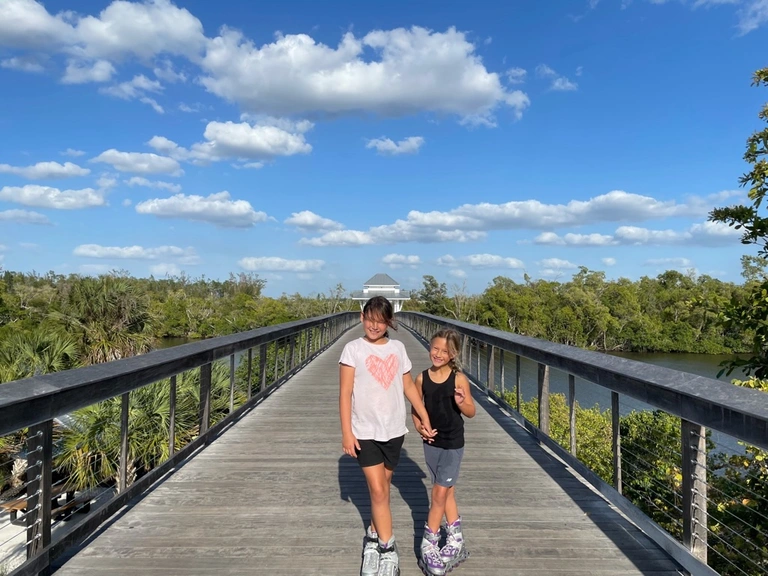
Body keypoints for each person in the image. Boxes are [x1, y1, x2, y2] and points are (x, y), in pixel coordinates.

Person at [339, 295, 436, 576]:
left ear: (389, 323)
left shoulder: (398, 348)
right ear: (361, 317)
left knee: (381, 489)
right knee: (380, 491)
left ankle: (372, 535)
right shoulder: (352, 349)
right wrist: (347, 432)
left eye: (380, 321)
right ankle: (387, 548)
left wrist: (424, 415)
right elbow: (345, 394)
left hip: (394, 431)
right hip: (364, 431)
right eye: (370, 319)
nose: (374, 325)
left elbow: (407, 385)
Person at [412, 329, 475, 576]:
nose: (438, 354)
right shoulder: (421, 378)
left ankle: (429, 544)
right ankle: (456, 539)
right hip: (431, 443)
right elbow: (416, 410)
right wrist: (420, 428)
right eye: (435, 348)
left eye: (445, 351)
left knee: (438, 492)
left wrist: (461, 403)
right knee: (446, 490)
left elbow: (471, 411)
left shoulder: (459, 379)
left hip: (452, 442)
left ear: (453, 354)